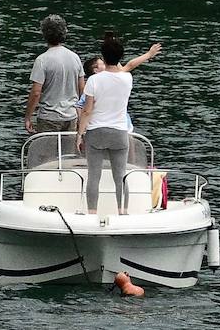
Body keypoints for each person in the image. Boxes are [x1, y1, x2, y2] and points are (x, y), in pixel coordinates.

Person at [77, 33, 140, 214]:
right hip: (119, 131)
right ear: (120, 57)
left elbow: (87, 111)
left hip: (96, 132)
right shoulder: (127, 78)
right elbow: (125, 67)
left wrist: (80, 134)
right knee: (120, 177)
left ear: (103, 57)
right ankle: (122, 211)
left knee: (94, 177)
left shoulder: (93, 80)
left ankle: (92, 213)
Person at [78, 42, 162, 130]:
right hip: (121, 128)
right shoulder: (125, 77)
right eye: (101, 63)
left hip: (100, 127)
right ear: (95, 70)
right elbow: (129, 66)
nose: (104, 63)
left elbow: (83, 109)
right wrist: (148, 54)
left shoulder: (93, 82)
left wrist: (81, 130)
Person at [24, 14, 84, 134]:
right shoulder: (75, 58)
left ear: (44, 34)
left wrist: (28, 117)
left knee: (47, 146)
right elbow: (82, 88)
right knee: (68, 146)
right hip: (71, 115)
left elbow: (36, 93)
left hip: (49, 117)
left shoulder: (42, 60)